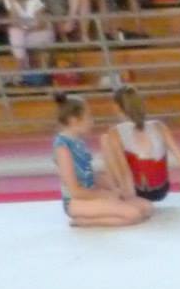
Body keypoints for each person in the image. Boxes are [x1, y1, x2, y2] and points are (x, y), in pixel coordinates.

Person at [51, 94, 153, 225]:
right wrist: (105, 195)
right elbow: (75, 192)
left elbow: (89, 176)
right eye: (88, 117)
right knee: (133, 215)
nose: (92, 121)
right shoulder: (63, 147)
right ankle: (83, 221)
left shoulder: (78, 142)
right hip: (76, 202)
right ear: (74, 120)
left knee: (146, 208)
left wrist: (113, 188)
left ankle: (96, 213)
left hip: (90, 195)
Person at [102, 84, 180, 204]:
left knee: (105, 139)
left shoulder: (115, 132)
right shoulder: (159, 126)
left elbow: (125, 172)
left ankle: (117, 191)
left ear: (116, 108)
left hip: (137, 191)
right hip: (161, 191)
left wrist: (131, 199)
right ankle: (121, 192)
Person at [1, 0, 57, 81]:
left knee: (16, 36)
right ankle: (22, 66)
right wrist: (11, 1)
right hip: (23, 37)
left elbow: (41, 24)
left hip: (41, 34)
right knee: (14, 32)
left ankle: (21, 68)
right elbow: (13, 22)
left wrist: (26, 30)